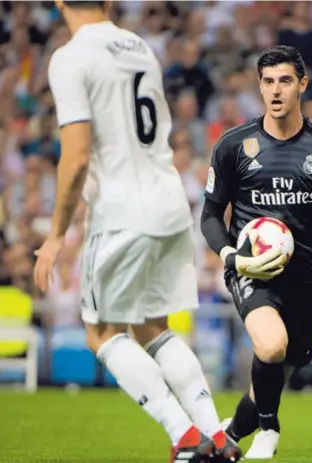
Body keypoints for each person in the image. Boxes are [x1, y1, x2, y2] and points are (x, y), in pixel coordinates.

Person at [31, 2, 240, 462]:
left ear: (61, 3)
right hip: (169, 201)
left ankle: (185, 437)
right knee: (153, 327)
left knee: (102, 332)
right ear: (108, 2)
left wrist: (55, 236)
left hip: (122, 209)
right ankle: (217, 436)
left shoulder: (69, 57)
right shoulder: (141, 47)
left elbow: (77, 155)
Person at [200, 45, 312, 459]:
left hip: (308, 275)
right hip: (252, 269)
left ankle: (226, 436)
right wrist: (231, 258)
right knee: (271, 346)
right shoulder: (233, 146)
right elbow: (209, 216)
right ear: (259, 86)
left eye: (285, 81)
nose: (275, 90)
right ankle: (269, 429)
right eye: (268, 82)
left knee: (279, 372)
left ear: (302, 85)